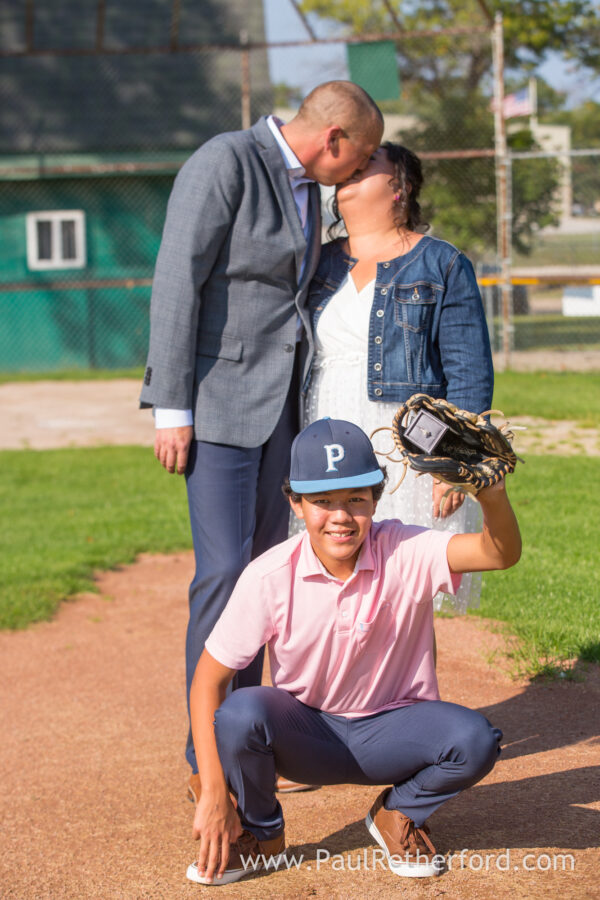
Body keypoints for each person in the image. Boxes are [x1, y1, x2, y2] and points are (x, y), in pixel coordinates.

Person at [139, 82, 384, 795]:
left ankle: (251, 734)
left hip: (281, 414)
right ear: (334, 139)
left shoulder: (309, 189)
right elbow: (177, 280)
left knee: (267, 578)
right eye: (361, 156)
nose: (360, 171)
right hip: (216, 410)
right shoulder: (226, 161)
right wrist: (170, 407)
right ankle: (205, 758)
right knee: (223, 576)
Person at [186, 418, 521, 886]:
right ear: (295, 504)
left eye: (355, 499)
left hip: (393, 734)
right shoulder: (269, 575)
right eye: (322, 501)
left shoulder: (404, 548)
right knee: (241, 712)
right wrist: (215, 791)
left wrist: (491, 495)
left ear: (376, 498)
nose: (340, 516)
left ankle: (398, 812)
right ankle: (263, 835)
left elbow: (498, 554)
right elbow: (208, 681)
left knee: (475, 740)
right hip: (307, 734)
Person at [300, 142, 494, 614]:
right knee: (332, 582)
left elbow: (467, 371)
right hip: (323, 425)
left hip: (406, 440)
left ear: (399, 189)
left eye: (366, 167)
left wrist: (452, 464)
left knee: (400, 585)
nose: (349, 173)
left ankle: (405, 687)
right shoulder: (314, 263)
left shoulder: (443, 263)